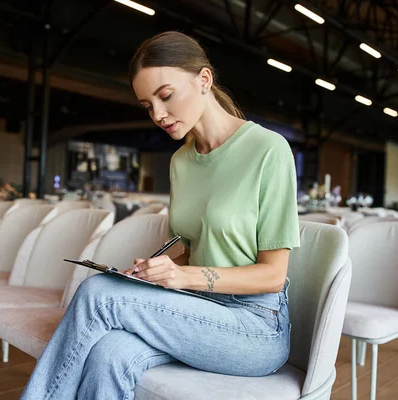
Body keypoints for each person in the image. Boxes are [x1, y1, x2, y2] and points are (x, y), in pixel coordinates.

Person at [20, 31, 300, 399]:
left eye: (165, 96)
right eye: (147, 105)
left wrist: (182, 275)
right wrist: (153, 274)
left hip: (254, 327)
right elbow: (193, 249)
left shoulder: (268, 150)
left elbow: (273, 276)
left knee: (98, 295)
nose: (158, 115)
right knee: (109, 354)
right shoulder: (181, 161)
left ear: (204, 80)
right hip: (196, 311)